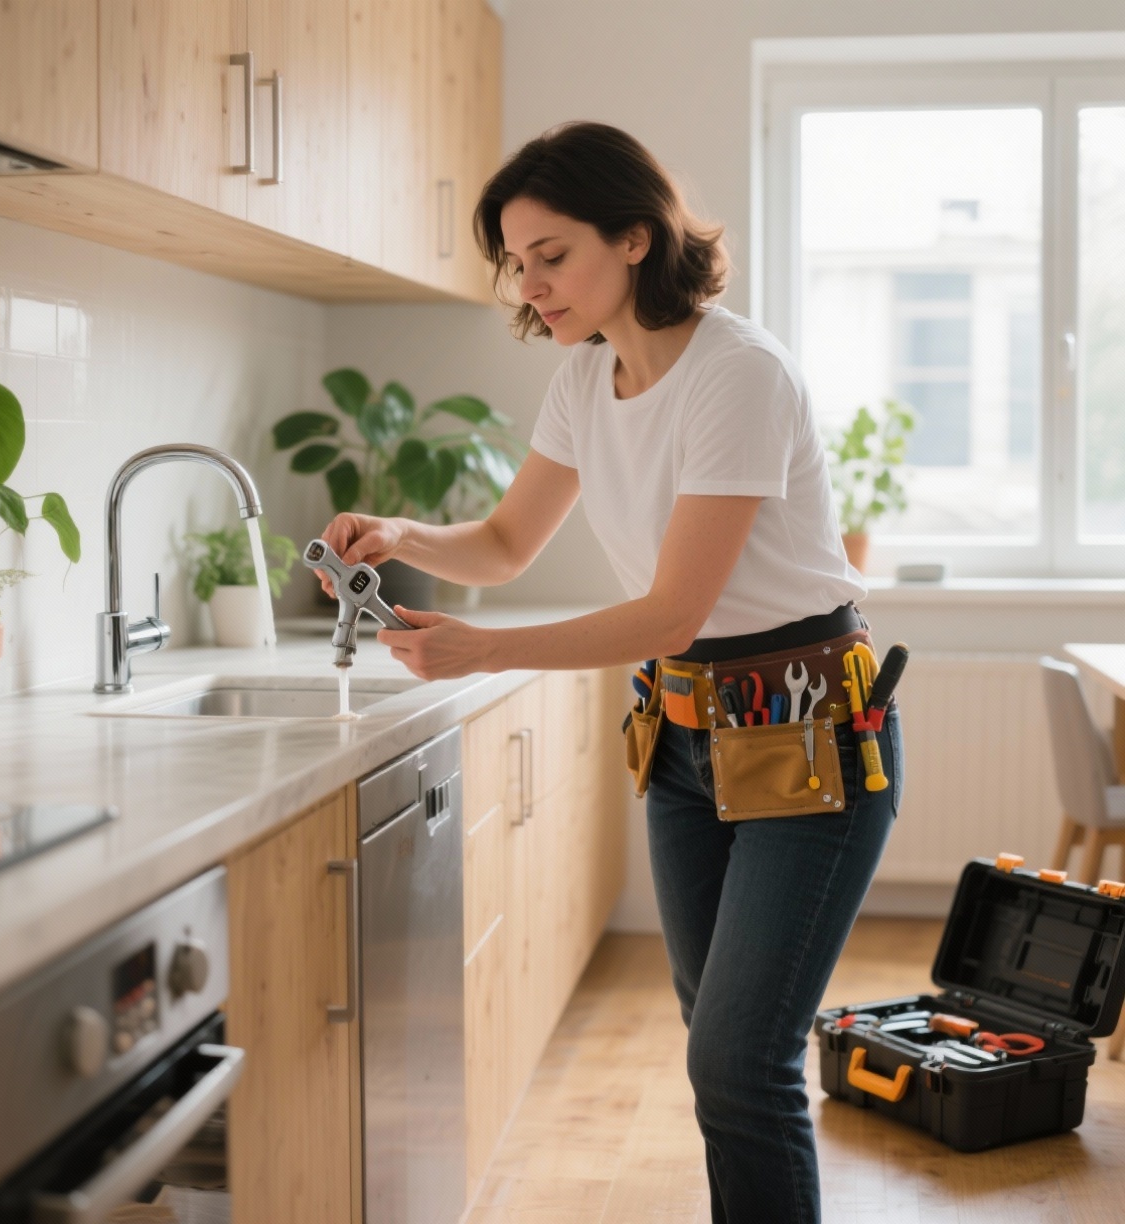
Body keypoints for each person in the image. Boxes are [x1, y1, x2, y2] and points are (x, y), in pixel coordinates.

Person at [316, 121, 903, 1224]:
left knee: (740, 1061)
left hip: (809, 737)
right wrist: (401, 533)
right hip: (682, 739)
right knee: (720, 1048)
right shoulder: (589, 379)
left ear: (635, 238)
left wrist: (484, 648)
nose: (530, 286)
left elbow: (675, 610)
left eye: (552, 255)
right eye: (516, 263)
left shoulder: (738, 374)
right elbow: (506, 544)